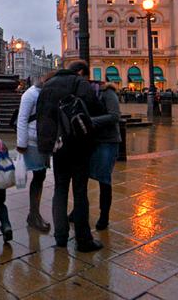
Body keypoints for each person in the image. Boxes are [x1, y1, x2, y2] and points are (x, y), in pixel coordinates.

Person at [36, 60, 104, 252]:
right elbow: (96, 109)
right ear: (81, 72)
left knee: (60, 188)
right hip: (78, 143)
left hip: (58, 146)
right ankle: (83, 240)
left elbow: (42, 117)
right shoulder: (79, 83)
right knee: (80, 191)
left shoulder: (47, 85)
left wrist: (46, 146)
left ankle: (60, 236)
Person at [16, 72, 55, 232]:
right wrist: (21, 143)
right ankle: (34, 214)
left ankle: (34, 214)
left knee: (41, 176)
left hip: (43, 140)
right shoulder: (29, 94)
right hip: (33, 140)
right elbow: (22, 118)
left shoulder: (45, 93)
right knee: (38, 176)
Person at [86, 82, 122, 230]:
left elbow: (114, 116)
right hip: (92, 141)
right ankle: (78, 210)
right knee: (82, 178)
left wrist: (91, 121)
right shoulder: (86, 94)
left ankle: (104, 216)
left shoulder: (107, 93)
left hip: (108, 141)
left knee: (104, 179)